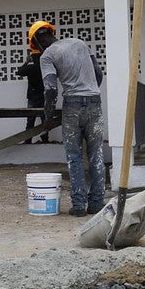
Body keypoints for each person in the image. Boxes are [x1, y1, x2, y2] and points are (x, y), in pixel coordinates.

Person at [31, 22, 106, 217]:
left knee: (74, 156)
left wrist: (47, 116)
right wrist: (91, 92)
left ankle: (79, 206)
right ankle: (97, 203)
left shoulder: (47, 56)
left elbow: (50, 88)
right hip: (94, 103)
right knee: (96, 154)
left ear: (37, 41)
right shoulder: (80, 43)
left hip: (72, 106)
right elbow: (98, 73)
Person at [17, 21, 52, 144]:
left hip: (35, 95)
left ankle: (28, 141)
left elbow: (20, 72)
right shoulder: (45, 58)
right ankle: (45, 140)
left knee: (31, 119)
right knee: (44, 119)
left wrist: (28, 64)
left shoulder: (34, 60)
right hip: (43, 93)